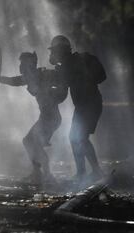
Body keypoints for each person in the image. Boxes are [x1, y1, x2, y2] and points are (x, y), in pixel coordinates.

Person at [0, 52, 68, 183]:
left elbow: (62, 80)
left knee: (33, 143)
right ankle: (38, 173)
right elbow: (14, 81)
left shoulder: (43, 74)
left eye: (24, 64)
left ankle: (47, 175)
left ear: (30, 64)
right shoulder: (30, 77)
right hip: (46, 118)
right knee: (29, 142)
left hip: (51, 118)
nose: (22, 67)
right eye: (21, 64)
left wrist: (56, 91)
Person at [48, 35, 106, 181]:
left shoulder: (73, 63)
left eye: (54, 51)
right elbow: (62, 93)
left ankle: (90, 172)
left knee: (78, 138)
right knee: (77, 138)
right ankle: (87, 172)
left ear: (61, 51)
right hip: (85, 105)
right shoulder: (69, 65)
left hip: (89, 104)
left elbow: (100, 76)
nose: (52, 55)